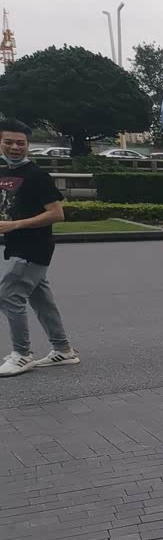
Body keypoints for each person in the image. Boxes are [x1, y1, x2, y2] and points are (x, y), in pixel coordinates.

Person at [0, 119, 79, 377]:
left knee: (8, 295)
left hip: (33, 247)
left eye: (20, 143)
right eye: (9, 142)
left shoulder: (37, 176)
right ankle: (63, 350)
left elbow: (57, 214)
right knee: (41, 300)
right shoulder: (4, 173)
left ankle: (22, 354)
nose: (15, 147)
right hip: (13, 245)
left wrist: (15, 225)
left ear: (27, 145)